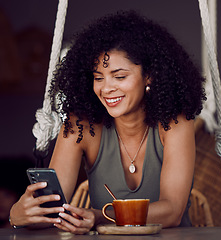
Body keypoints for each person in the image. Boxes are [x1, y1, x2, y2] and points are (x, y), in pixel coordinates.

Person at [9, 10, 206, 234]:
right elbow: (51, 212)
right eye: (98, 77)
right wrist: (20, 214)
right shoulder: (80, 127)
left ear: (149, 75)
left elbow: (172, 211)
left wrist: (97, 216)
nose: (106, 88)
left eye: (120, 76)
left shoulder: (174, 122)